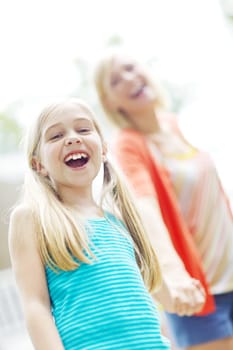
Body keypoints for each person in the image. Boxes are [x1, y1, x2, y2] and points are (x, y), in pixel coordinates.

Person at [94, 50, 233, 350]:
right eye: (117, 80)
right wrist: (174, 274)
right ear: (110, 102)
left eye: (131, 68)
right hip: (199, 290)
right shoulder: (129, 145)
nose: (130, 79)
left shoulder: (176, 126)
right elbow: (145, 208)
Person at [8, 98, 171, 350]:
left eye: (83, 129)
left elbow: (141, 300)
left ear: (104, 150)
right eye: (56, 136)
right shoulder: (31, 218)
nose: (73, 138)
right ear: (38, 164)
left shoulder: (119, 221)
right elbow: (35, 306)